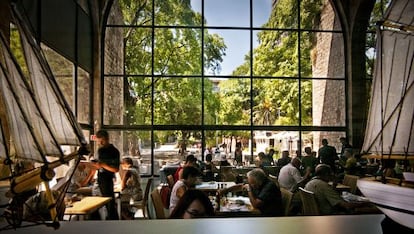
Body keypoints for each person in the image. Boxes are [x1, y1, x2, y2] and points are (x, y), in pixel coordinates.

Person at [219, 168, 283, 217]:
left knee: (239, 215)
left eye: (252, 183)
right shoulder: (256, 182)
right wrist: (225, 190)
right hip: (261, 210)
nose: (250, 185)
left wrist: (249, 190)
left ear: (259, 182)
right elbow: (241, 186)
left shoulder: (269, 186)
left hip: (270, 215)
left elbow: (256, 205)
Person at [91, 129, 120, 220]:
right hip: (99, 180)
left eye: (102, 141)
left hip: (107, 182)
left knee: (110, 206)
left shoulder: (114, 151)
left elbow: (115, 169)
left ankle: (114, 226)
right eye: (99, 141)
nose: (100, 143)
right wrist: (95, 165)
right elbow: (98, 166)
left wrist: (103, 165)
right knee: (94, 207)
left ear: (107, 139)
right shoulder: (100, 151)